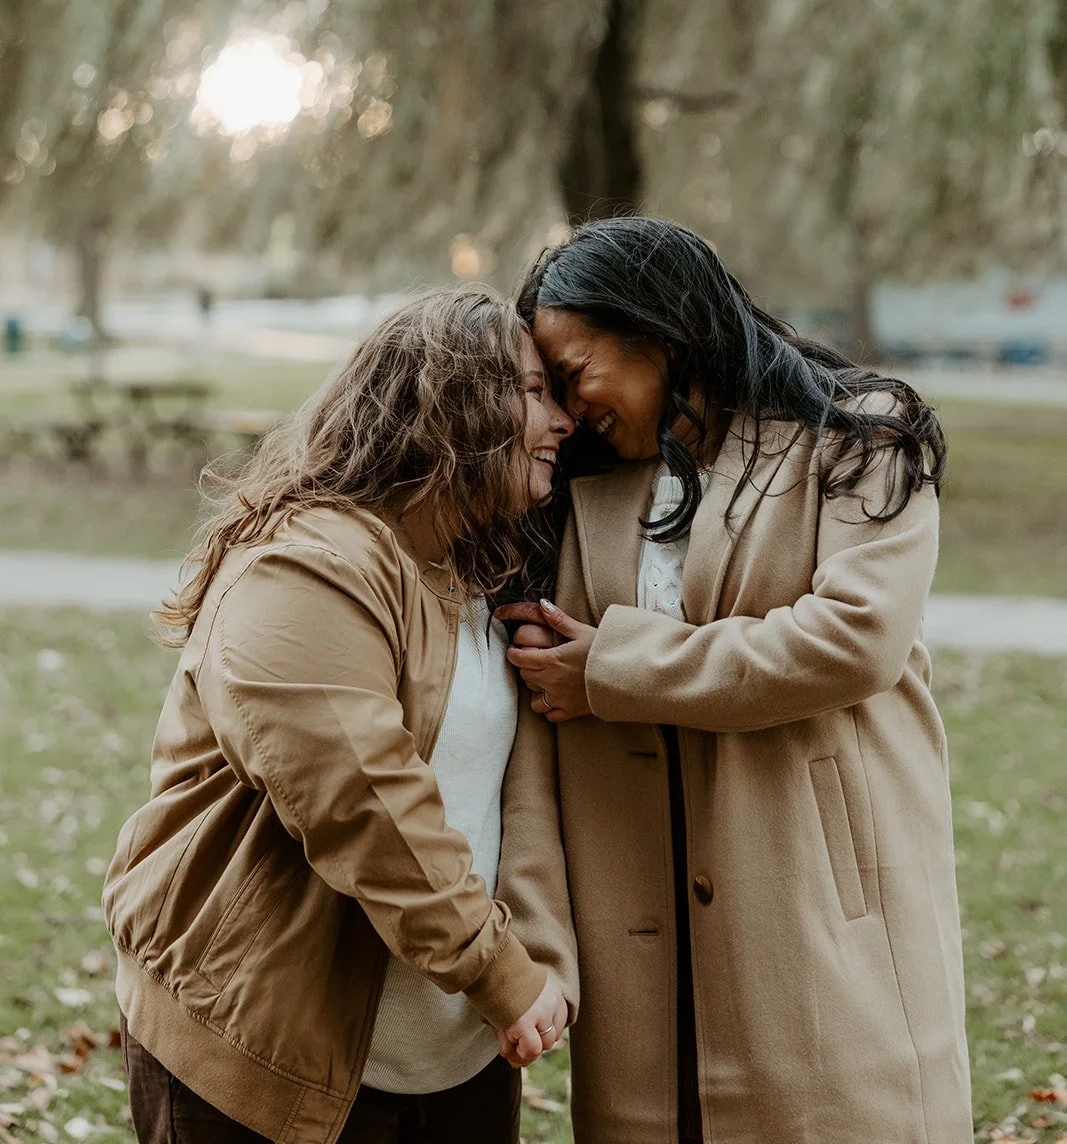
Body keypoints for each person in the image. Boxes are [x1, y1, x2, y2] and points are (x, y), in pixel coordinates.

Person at [501, 216, 971, 1144]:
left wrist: (612, 670)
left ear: (658, 332)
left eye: (575, 371)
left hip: (815, 927)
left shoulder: (857, 442)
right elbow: (530, 720)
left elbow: (852, 639)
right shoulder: (579, 495)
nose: (564, 404)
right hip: (639, 954)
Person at [104, 289, 577, 1144]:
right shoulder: (304, 566)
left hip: (450, 1063)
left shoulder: (466, 573)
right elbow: (363, 798)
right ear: (451, 402)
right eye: (536, 391)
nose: (562, 419)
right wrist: (503, 974)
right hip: (263, 1058)